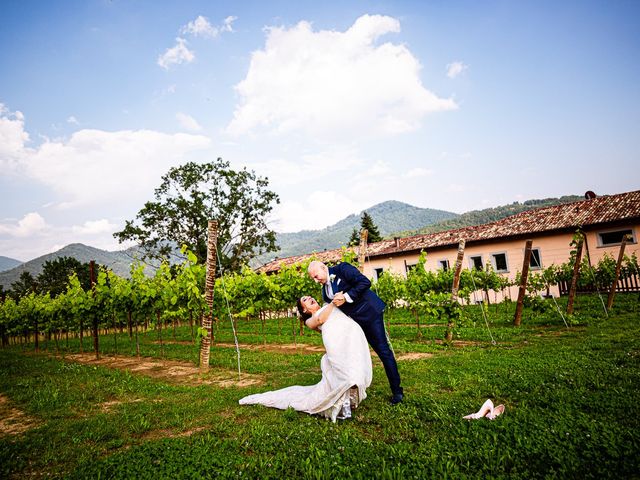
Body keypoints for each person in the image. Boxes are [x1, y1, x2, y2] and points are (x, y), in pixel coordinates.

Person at [238, 296, 372, 422]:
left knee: (354, 366)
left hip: (349, 341)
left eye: (310, 297)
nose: (310, 299)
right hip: (336, 346)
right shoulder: (311, 320)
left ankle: (350, 399)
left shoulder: (327, 306)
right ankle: (343, 403)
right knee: (345, 373)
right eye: (305, 300)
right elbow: (320, 321)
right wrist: (333, 302)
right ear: (304, 309)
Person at [308, 260, 403, 405]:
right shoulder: (324, 292)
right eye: (313, 278)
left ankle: (397, 392)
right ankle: (353, 386)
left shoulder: (342, 269)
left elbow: (364, 282)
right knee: (354, 355)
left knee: (383, 351)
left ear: (323, 267)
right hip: (353, 324)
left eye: (316, 276)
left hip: (370, 314)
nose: (316, 280)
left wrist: (345, 297)